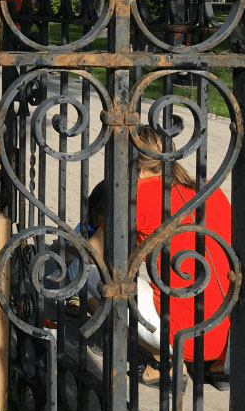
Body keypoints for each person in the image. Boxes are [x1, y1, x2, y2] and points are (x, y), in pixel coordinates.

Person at [86, 126, 232, 385]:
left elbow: (94, 252)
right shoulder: (208, 189)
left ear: (137, 169)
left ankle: (163, 361)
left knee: (89, 275)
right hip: (226, 333)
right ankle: (216, 366)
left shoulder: (138, 197)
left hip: (182, 334)